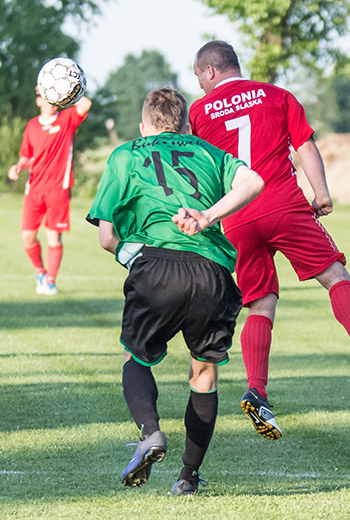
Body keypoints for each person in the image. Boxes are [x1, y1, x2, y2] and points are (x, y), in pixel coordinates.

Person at [189, 40, 350, 440]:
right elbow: (305, 146)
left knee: (260, 304)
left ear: (211, 70)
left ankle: (257, 389)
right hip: (283, 203)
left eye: (198, 74)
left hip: (237, 216)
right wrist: (322, 194)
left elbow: (200, 167)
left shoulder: (199, 111)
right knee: (335, 275)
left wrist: (208, 215)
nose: (197, 81)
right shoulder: (277, 95)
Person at [87, 87, 264, 495]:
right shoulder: (209, 152)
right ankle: (188, 477)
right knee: (204, 372)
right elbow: (253, 181)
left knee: (136, 358)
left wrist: (137, 260)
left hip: (156, 266)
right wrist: (207, 217)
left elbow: (106, 237)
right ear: (186, 126)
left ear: (143, 126)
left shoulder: (126, 155)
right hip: (212, 270)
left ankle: (151, 433)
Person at [8, 87, 92, 295]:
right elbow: (26, 155)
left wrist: (64, 88)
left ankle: (51, 281)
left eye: (54, 99)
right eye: (46, 97)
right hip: (34, 190)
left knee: (53, 237)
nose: (50, 102)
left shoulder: (66, 119)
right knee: (28, 237)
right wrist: (18, 166)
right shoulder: (32, 125)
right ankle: (40, 272)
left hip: (58, 190)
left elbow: (85, 104)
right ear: (38, 101)